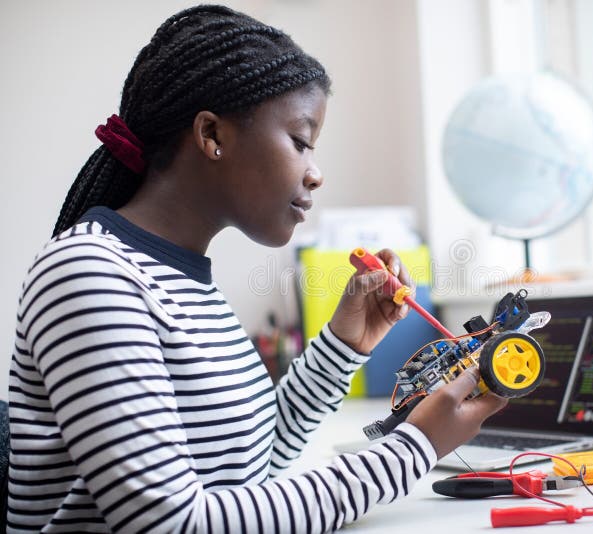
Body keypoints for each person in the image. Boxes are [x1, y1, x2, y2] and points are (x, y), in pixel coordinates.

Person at [7, 5, 507, 532]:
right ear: (211, 135)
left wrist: (343, 344)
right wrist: (416, 447)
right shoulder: (88, 275)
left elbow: (250, 467)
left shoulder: (182, 280)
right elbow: (169, 523)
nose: (315, 174)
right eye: (300, 141)